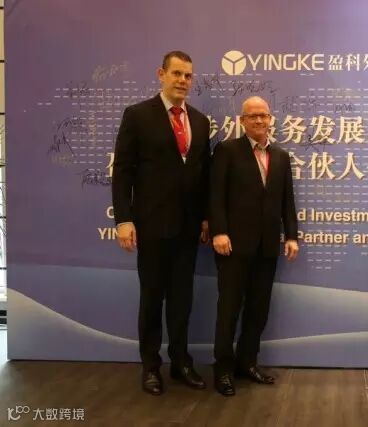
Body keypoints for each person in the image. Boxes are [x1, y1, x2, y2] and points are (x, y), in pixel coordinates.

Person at [111, 51, 211, 395]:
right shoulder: (138, 115)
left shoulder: (200, 121)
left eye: (188, 75)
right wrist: (124, 219)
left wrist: (205, 217)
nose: (183, 80)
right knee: (152, 299)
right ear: (161, 74)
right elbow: (122, 172)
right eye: (177, 73)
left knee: (182, 300)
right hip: (151, 226)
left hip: (188, 228)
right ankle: (151, 366)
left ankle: (181, 362)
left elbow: (202, 175)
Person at [209, 96, 299, 396]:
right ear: (242, 120)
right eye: (253, 116)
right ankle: (223, 369)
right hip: (232, 246)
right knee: (229, 309)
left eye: (264, 115)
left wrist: (291, 236)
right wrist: (219, 231)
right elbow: (215, 194)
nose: (259, 121)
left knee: (258, 310)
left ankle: (247, 363)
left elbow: (287, 200)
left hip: (267, 247)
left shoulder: (281, 156)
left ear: (270, 119)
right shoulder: (227, 150)